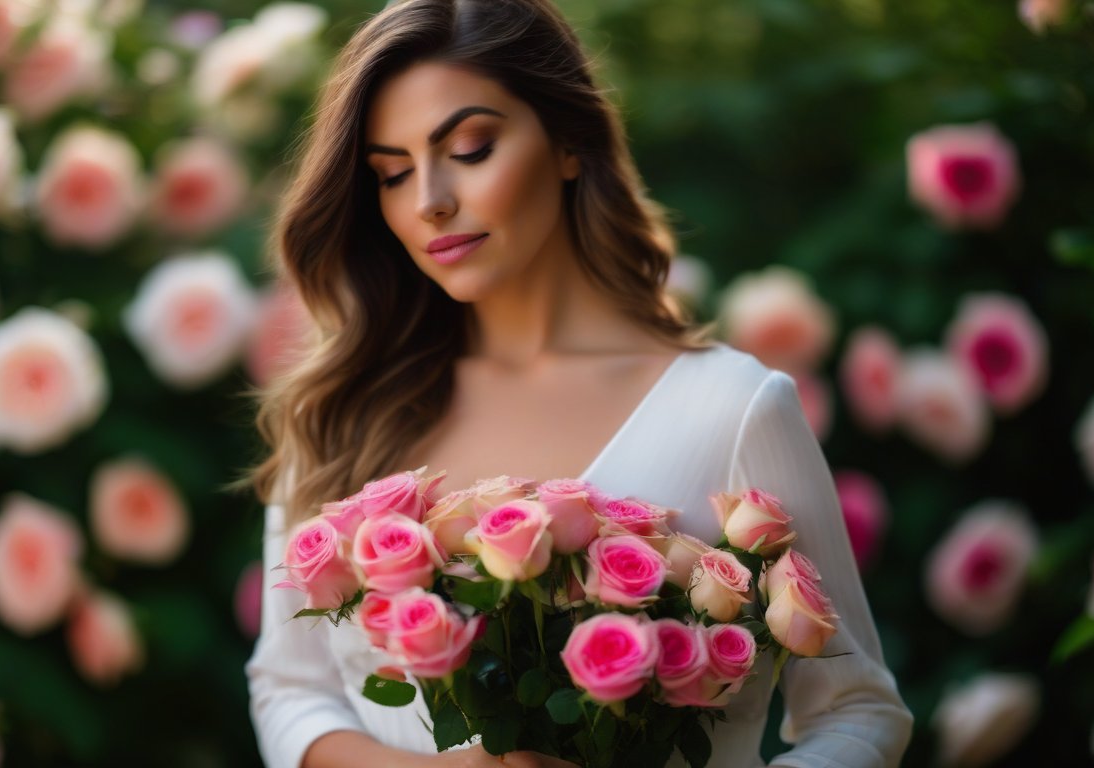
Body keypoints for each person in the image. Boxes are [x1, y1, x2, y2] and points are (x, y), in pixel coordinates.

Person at [244, 1, 913, 766]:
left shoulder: (730, 410)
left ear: (569, 141)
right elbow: (288, 690)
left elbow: (857, 714)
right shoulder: (344, 411)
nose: (428, 198)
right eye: (392, 174)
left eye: (469, 147)